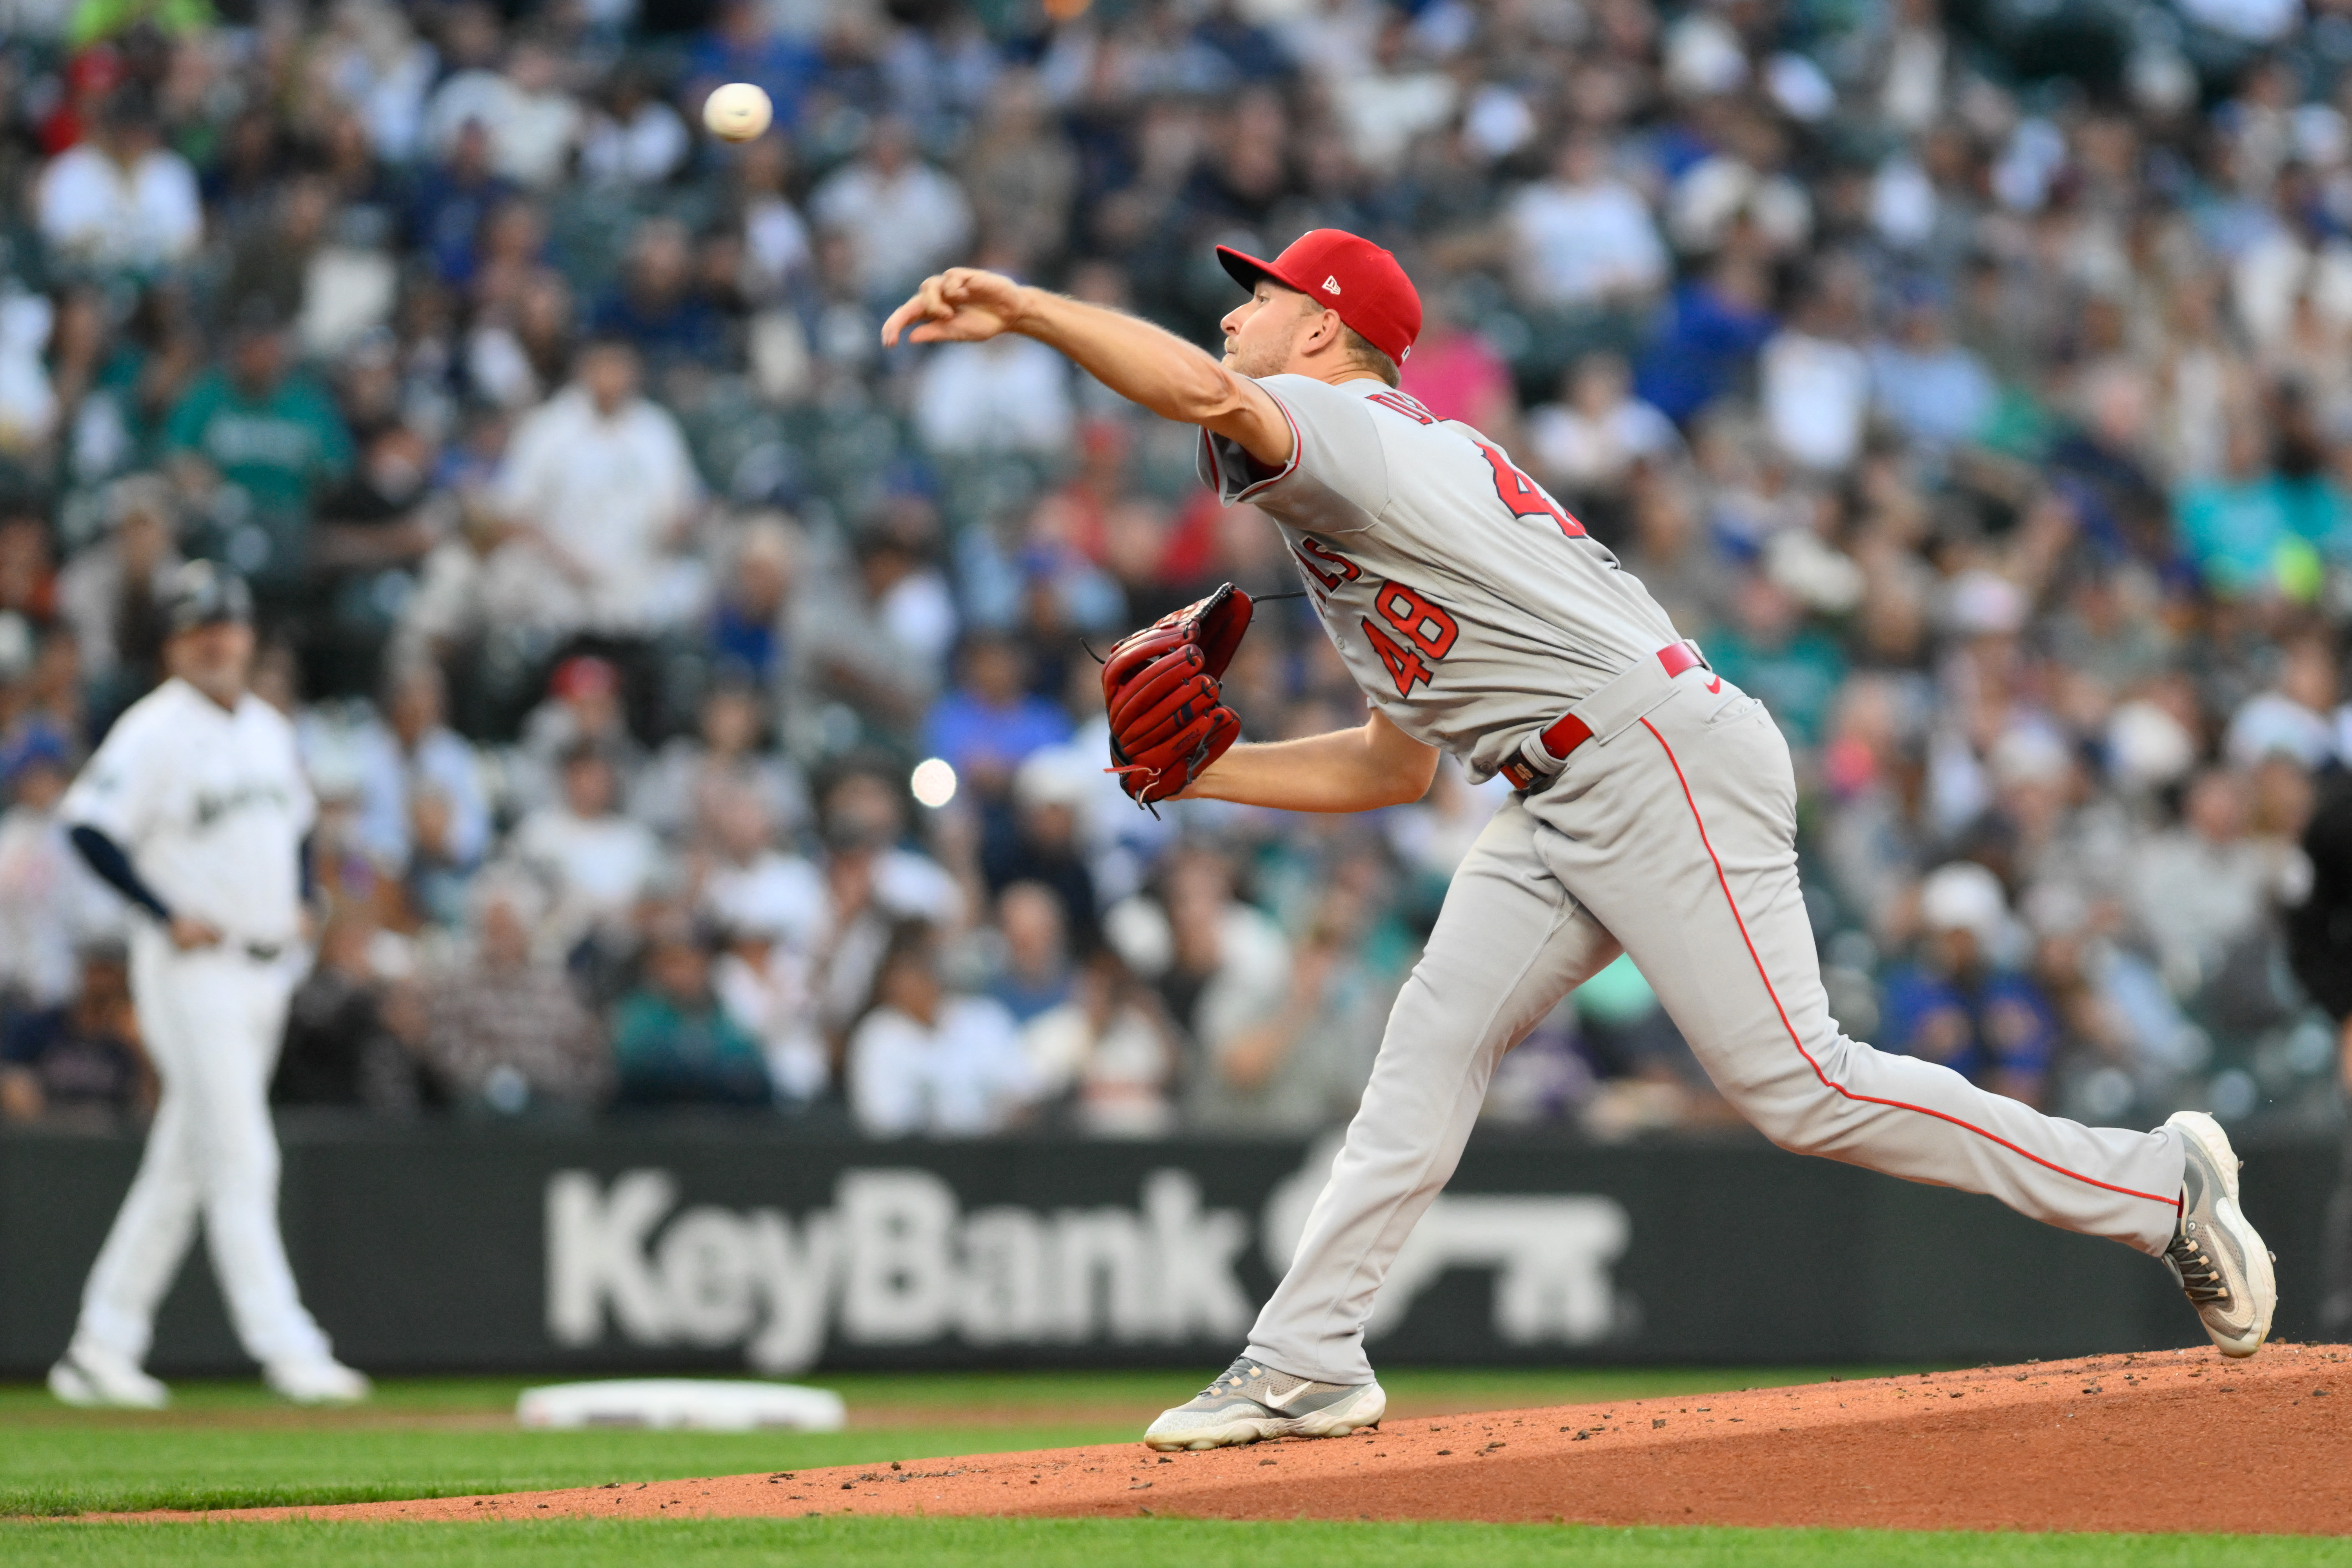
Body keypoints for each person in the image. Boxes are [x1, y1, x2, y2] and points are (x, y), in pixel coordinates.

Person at [881, 228, 2275, 1453]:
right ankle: (1303, 1356)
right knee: (1428, 1043)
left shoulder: (1348, 430)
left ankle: (2155, 1181)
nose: (1233, 315)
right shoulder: (1350, 509)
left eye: (1255, 296)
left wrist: (1032, 311)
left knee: (1799, 1084)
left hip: (1647, 752)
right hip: (1560, 782)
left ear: (1325, 326)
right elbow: (1384, 767)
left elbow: (1200, 387)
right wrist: (1216, 773)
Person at [47, 562, 370, 1408]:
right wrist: (161, 909)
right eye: (198, 629)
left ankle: (101, 1342)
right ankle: (288, 1345)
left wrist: (307, 896)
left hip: (266, 969)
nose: (216, 640)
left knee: (184, 1166)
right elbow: (86, 826)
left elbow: (301, 825)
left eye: (225, 626)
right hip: (194, 970)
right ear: (174, 643)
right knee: (242, 1155)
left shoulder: (265, 726)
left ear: (248, 634)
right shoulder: (154, 729)